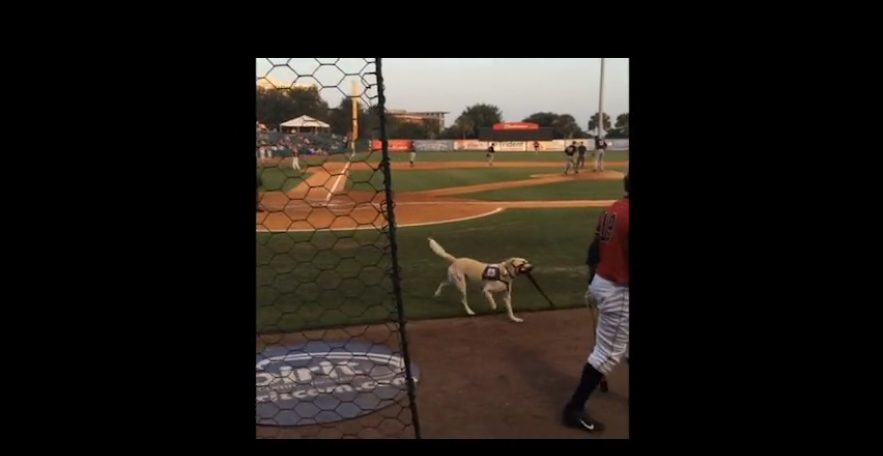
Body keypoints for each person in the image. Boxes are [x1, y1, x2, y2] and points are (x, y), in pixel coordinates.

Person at [562, 172, 629, 433]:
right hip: (620, 290)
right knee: (607, 354)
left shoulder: (613, 209)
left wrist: (593, 281)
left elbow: (594, 249)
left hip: (606, 281)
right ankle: (573, 408)